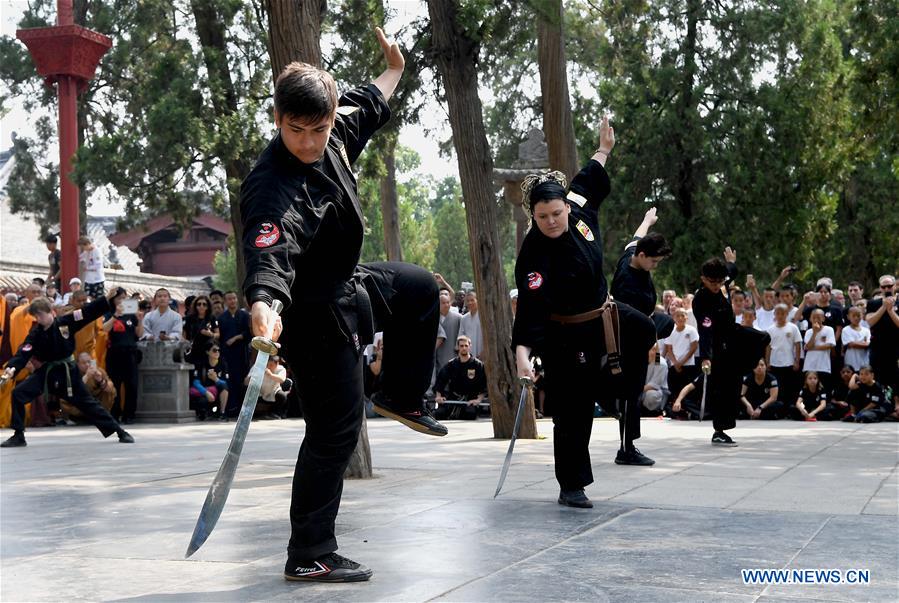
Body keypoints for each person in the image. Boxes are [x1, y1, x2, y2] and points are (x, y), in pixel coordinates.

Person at [240, 28, 446, 583]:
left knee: (422, 287)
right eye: (295, 130)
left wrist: (396, 66)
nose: (308, 142)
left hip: (347, 286)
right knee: (335, 431)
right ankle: (309, 551)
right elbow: (268, 253)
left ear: (332, 116)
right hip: (308, 315)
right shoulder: (271, 186)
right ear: (278, 119)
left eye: (320, 128)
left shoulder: (334, 131)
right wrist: (264, 305)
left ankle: (403, 394)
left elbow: (372, 97)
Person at [512, 113, 658, 511]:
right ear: (533, 216)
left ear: (564, 206)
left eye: (555, 213)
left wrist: (604, 149)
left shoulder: (578, 209)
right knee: (573, 411)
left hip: (605, 315)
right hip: (566, 334)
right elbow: (529, 306)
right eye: (542, 217)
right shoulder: (534, 254)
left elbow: (589, 177)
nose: (551, 222)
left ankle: (615, 396)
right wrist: (523, 353)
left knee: (645, 328)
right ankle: (571, 484)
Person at [0, 290, 134, 447]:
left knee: (89, 404)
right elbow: (24, 351)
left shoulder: (67, 322)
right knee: (18, 393)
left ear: (51, 312)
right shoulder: (35, 333)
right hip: (47, 372)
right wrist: (12, 368)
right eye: (36, 317)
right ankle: (18, 435)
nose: (39, 319)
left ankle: (119, 432)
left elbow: (87, 312)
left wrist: (107, 299)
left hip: (68, 372)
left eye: (41, 315)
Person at [692, 249, 742, 446]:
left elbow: (731, 271)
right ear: (703, 279)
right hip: (716, 347)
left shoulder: (723, 281)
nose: (717, 286)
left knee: (760, 337)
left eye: (720, 282)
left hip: (732, 340)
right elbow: (705, 331)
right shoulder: (701, 300)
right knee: (722, 389)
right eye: (712, 282)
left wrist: (731, 262)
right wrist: (706, 357)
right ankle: (719, 430)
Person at [610, 207, 672, 320]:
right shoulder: (626, 284)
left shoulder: (632, 254)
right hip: (635, 325)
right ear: (642, 255)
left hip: (646, 316)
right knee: (666, 322)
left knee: (667, 321)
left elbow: (637, 238)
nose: (655, 266)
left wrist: (647, 221)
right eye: (654, 261)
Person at [103, 295, 144, 423]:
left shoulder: (132, 315)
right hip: (114, 353)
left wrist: (140, 320)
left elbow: (139, 334)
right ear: (114, 300)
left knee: (131, 384)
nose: (122, 300)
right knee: (115, 384)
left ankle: (129, 414)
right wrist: (115, 316)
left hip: (130, 353)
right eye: (119, 298)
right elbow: (104, 329)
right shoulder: (109, 314)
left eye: (124, 297)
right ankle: (115, 413)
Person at [433, 335, 488, 420]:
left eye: (466, 345)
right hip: (453, 398)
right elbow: (441, 380)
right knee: (439, 414)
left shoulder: (478, 365)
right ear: (457, 347)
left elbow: (484, 385)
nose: (464, 348)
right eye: (461, 346)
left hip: (470, 400)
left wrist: (478, 400)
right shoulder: (451, 364)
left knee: (470, 414)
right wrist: (438, 396)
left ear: (470, 346)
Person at [865, 275, 899, 412]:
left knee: (896, 376)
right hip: (878, 347)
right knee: (877, 376)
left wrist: (891, 310)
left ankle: (896, 407)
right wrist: (884, 307)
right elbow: (869, 321)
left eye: (889, 286)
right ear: (880, 288)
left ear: (895, 286)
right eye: (884, 286)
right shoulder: (873, 303)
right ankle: (877, 405)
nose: (887, 289)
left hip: (896, 347)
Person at [217, 291, 251, 419]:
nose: (232, 301)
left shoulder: (244, 315)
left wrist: (237, 337)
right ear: (225, 301)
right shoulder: (221, 318)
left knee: (243, 381)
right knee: (230, 381)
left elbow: (248, 333)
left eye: (234, 298)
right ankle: (231, 410)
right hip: (228, 355)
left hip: (242, 353)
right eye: (229, 299)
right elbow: (220, 338)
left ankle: (244, 412)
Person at [765, 303, 803, 408]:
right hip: (774, 363)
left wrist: (797, 361)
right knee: (778, 387)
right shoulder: (770, 329)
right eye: (778, 313)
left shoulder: (793, 328)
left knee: (789, 386)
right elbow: (768, 347)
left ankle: (789, 407)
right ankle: (778, 408)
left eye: (782, 313)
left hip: (789, 363)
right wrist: (767, 362)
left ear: (787, 314)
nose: (780, 316)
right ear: (774, 314)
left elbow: (797, 345)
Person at [662, 307, 699, 409]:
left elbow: (693, 347)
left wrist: (682, 362)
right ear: (674, 318)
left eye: (682, 315)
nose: (680, 318)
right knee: (675, 389)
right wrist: (675, 362)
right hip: (675, 366)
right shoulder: (671, 331)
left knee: (688, 390)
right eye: (677, 315)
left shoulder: (691, 330)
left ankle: (689, 410)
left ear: (686, 317)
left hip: (689, 365)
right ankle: (676, 410)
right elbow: (669, 348)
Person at [190, 343, 230, 421]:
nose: (217, 352)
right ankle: (204, 413)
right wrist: (206, 392)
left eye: (219, 350)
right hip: (204, 392)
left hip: (217, 393)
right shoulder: (201, 364)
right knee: (201, 401)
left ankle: (222, 413)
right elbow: (195, 382)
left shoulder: (222, 363)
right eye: (214, 350)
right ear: (207, 352)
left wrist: (216, 379)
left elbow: (226, 382)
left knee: (225, 387)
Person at [802, 308, 836, 394]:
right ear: (810, 319)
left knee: (824, 390)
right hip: (809, 366)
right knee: (809, 391)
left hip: (823, 366)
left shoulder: (829, 329)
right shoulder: (809, 332)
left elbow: (829, 345)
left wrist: (812, 348)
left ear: (823, 318)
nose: (816, 320)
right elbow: (808, 346)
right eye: (814, 317)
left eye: (819, 317)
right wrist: (815, 333)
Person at [183, 294, 219, 365]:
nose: (201, 306)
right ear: (195, 306)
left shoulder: (212, 318)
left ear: (208, 306)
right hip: (193, 351)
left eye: (204, 304)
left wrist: (211, 334)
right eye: (199, 304)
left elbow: (218, 334)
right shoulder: (189, 318)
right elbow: (184, 335)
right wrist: (186, 343)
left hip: (208, 351)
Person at [435, 289, 461, 372]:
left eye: (448, 302)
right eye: (443, 303)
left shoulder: (459, 318)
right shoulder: (433, 318)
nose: (446, 305)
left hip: (453, 354)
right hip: (437, 356)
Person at [641, 342, 668, 415]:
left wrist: (637, 390)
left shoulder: (660, 362)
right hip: (642, 390)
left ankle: (653, 412)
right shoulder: (641, 360)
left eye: (654, 350)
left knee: (651, 395)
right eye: (651, 349)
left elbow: (654, 385)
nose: (653, 352)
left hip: (658, 392)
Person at [841, 306, 871, 371]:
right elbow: (850, 344)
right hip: (851, 363)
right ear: (848, 317)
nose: (856, 318)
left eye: (858, 315)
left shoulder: (866, 330)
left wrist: (856, 343)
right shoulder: (846, 330)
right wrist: (863, 343)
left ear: (862, 315)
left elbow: (868, 344)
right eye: (853, 316)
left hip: (864, 362)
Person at [459, 290, 483, 358]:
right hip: (467, 355)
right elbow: (461, 337)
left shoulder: (483, 318)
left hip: (482, 354)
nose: (470, 303)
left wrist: (484, 353)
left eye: (472, 300)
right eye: (468, 301)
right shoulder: (464, 318)